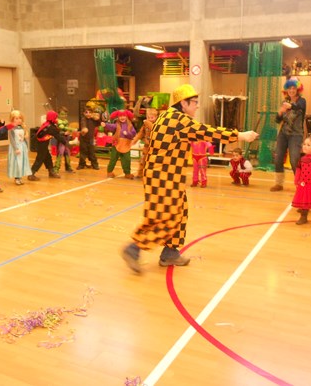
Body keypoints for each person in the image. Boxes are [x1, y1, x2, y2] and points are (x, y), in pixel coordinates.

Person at [121, 84, 258, 273]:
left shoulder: (168, 116)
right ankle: (134, 248)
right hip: (163, 176)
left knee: (180, 212)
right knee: (166, 218)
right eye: (194, 102)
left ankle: (170, 253)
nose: (197, 105)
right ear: (183, 103)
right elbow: (207, 132)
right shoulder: (179, 120)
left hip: (167, 176)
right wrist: (240, 135)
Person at [270, 78, 306, 192]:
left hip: (296, 135)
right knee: (278, 158)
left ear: (298, 90)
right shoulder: (284, 102)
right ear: (286, 90)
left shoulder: (302, 101)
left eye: (294, 88)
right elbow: (277, 120)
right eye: (289, 88)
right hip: (283, 134)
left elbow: (299, 107)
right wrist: (280, 112)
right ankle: (278, 184)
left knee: (294, 159)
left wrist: (290, 106)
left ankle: (300, 184)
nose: (291, 90)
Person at [28, 110, 66, 180]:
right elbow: (58, 136)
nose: (56, 119)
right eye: (55, 117)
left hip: (40, 144)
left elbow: (56, 132)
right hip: (41, 144)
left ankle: (51, 172)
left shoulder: (47, 124)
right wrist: (66, 142)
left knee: (48, 157)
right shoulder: (51, 127)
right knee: (40, 159)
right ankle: (31, 174)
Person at [104, 109, 137, 179]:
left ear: (127, 117)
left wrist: (127, 134)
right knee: (113, 159)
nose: (122, 117)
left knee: (127, 160)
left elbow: (133, 134)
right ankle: (109, 172)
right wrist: (105, 125)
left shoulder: (130, 126)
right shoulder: (117, 125)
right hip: (117, 144)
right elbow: (111, 126)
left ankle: (127, 173)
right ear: (118, 117)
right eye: (120, 116)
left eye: (124, 116)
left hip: (126, 145)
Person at [131, 107, 158, 179]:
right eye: (148, 117)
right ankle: (140, 174)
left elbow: (154, 129)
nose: (150, 119)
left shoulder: (157, 125)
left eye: (152, 117)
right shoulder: (145, 124)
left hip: (154, 147)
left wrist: (148, 123)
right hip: (146, 146)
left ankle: (151, 175)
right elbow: (140, 133)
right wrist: (134, 140)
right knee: (142, 160)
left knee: (153, 162)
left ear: (156, 117)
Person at [7, 110, 32, 185]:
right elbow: (12, 139)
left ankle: (20, 177)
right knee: (17, 163)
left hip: (22, 147)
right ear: (12, 119)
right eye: (16, 118)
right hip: (16, 148)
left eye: (20, 118)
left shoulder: (22, 127)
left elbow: (24, 138)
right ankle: (17, 178)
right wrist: (16, 149)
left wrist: (26, 145)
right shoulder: (11, 128)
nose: (19, 120)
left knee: (22, 162)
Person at [54, 106, 75, 173]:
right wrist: (71, 130)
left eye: (65, 114)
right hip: (60, 139)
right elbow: (59, 129)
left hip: (66, 139)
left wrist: (69, 132)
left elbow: (66, 129)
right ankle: (56, 168)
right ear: (58, 114)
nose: (64, 116)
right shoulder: (57, 121)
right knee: (60, 153)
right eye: (62, 114)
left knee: (67, 153)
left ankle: (68, 167)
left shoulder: (66, 121)